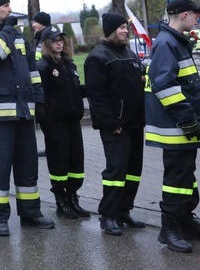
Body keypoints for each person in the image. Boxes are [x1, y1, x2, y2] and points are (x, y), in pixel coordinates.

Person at [0, 0, 54, 237]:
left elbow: (31, 68)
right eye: (5, 5)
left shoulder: (17, 35)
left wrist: (38, 98)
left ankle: (30, 213)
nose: (9, 9)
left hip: (23, 112)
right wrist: (7, 30)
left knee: (28, 165)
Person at [145, 0, 200, 252]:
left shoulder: (175, 42)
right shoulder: (167, 43)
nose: (198, 19)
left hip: (183, 126)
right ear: (184, 16)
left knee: (187, 177)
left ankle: (185, 222)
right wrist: (186, 119)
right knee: (176, 178)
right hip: (177, 127)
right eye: (195, 15)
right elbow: (164, 86)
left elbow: (181, 82)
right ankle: (169, 228)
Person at [84, 12, 146, 236]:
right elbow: (96, 95)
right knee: (116, 171)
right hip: (116, 126)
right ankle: (108, 215)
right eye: (120, 28)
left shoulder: (129, 53)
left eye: (125, 27)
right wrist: (110, 123)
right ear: (110, 31)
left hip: (135, 123)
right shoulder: (98, 57)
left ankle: (123, 210)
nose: (125, 31)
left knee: (133, 170)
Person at [37, 26, 90, 220]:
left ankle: (73, 197)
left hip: (72, 120)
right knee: (59, 162)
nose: (59, 43)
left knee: (76, 160)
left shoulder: (69, 64)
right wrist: (45, 119)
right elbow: (40, 96)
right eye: (54, 40)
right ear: (46, 44)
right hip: (55, 123)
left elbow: (75, 89)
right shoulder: (43, 66)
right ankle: (61, 201)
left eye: (61, 40)